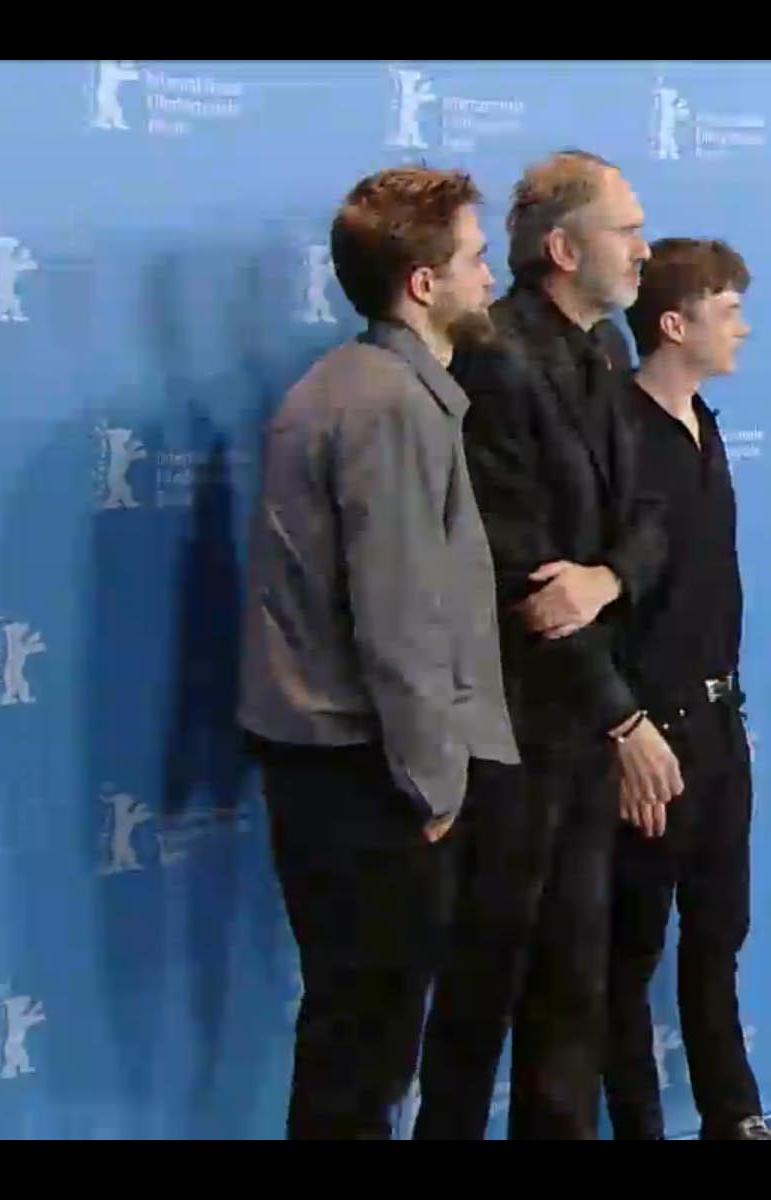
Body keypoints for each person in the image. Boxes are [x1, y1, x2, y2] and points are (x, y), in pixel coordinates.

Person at [236, 166, 517, 1139]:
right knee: (364, 1050)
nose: (491, 277)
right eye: (476, 259)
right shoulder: (389, 404)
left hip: (348, 766)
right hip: (367, 776)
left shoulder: (370, 389)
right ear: (424, 283)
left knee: (356, 1041)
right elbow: (399, 618)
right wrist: (435, 785)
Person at [413, 149, 684, 1140]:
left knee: (574, 985)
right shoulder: (493, 356)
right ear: (566, 249)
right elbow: (523, 578)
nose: (644, 250)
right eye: (628, 230)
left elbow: (650, 517)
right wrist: (623, 721)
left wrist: (608, 579)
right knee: (483, 989)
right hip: (514, 733)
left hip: (582, 725)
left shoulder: (607, 347)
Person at [601, 238, 771, 1141]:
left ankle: (733, 1116)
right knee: (627, 954)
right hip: (648, 738)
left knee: (718, 933)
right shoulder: (620, 437)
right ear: (674, 324)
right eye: (728, 309)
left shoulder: (706, 424)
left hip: (720, 725)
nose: (742, 326)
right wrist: (626, 732)